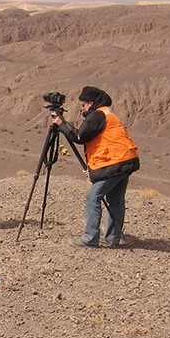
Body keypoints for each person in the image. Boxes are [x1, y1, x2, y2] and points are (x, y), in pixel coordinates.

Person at [51, 86, 140, 248]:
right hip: (125, 160)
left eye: (83, 105)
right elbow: (104, 144)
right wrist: (93, 169)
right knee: (115, 200)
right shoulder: (107, 113)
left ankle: (90, 238)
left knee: (94, 197)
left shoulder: (97, 115)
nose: (82, 109)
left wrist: (61, 124)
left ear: (91, 103)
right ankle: (114, 238)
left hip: (115, 163)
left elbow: (79, 137)